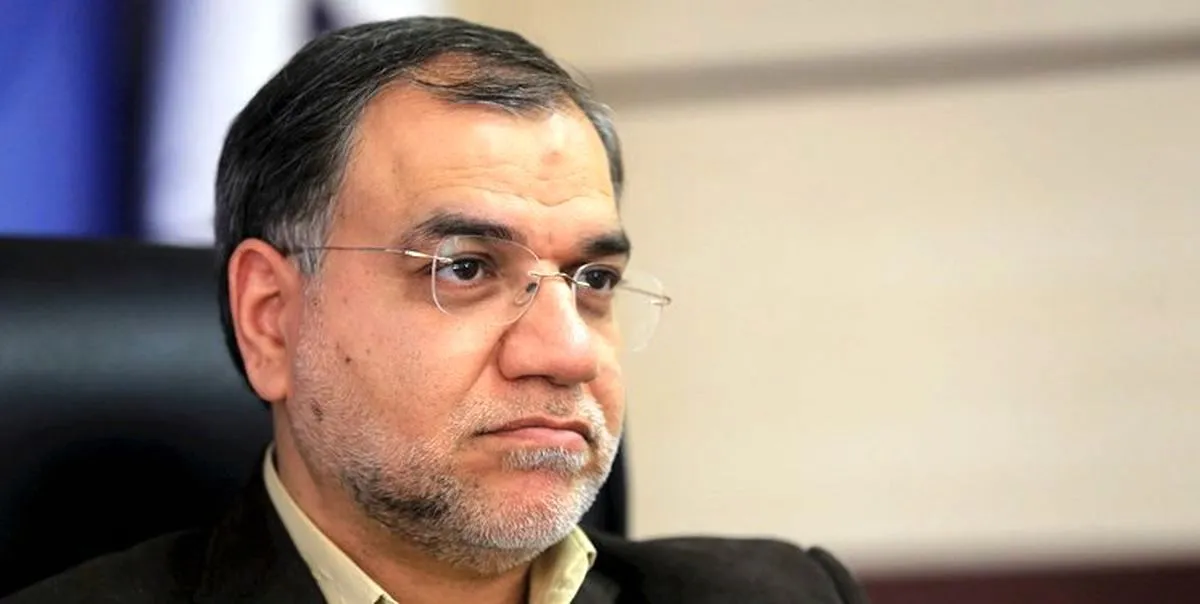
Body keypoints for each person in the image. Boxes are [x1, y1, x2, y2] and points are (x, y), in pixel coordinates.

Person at [1, 16, 869, 604]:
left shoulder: (788, 594)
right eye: (465, 268)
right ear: (272, 317)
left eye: (594, 280)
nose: (566, 351)